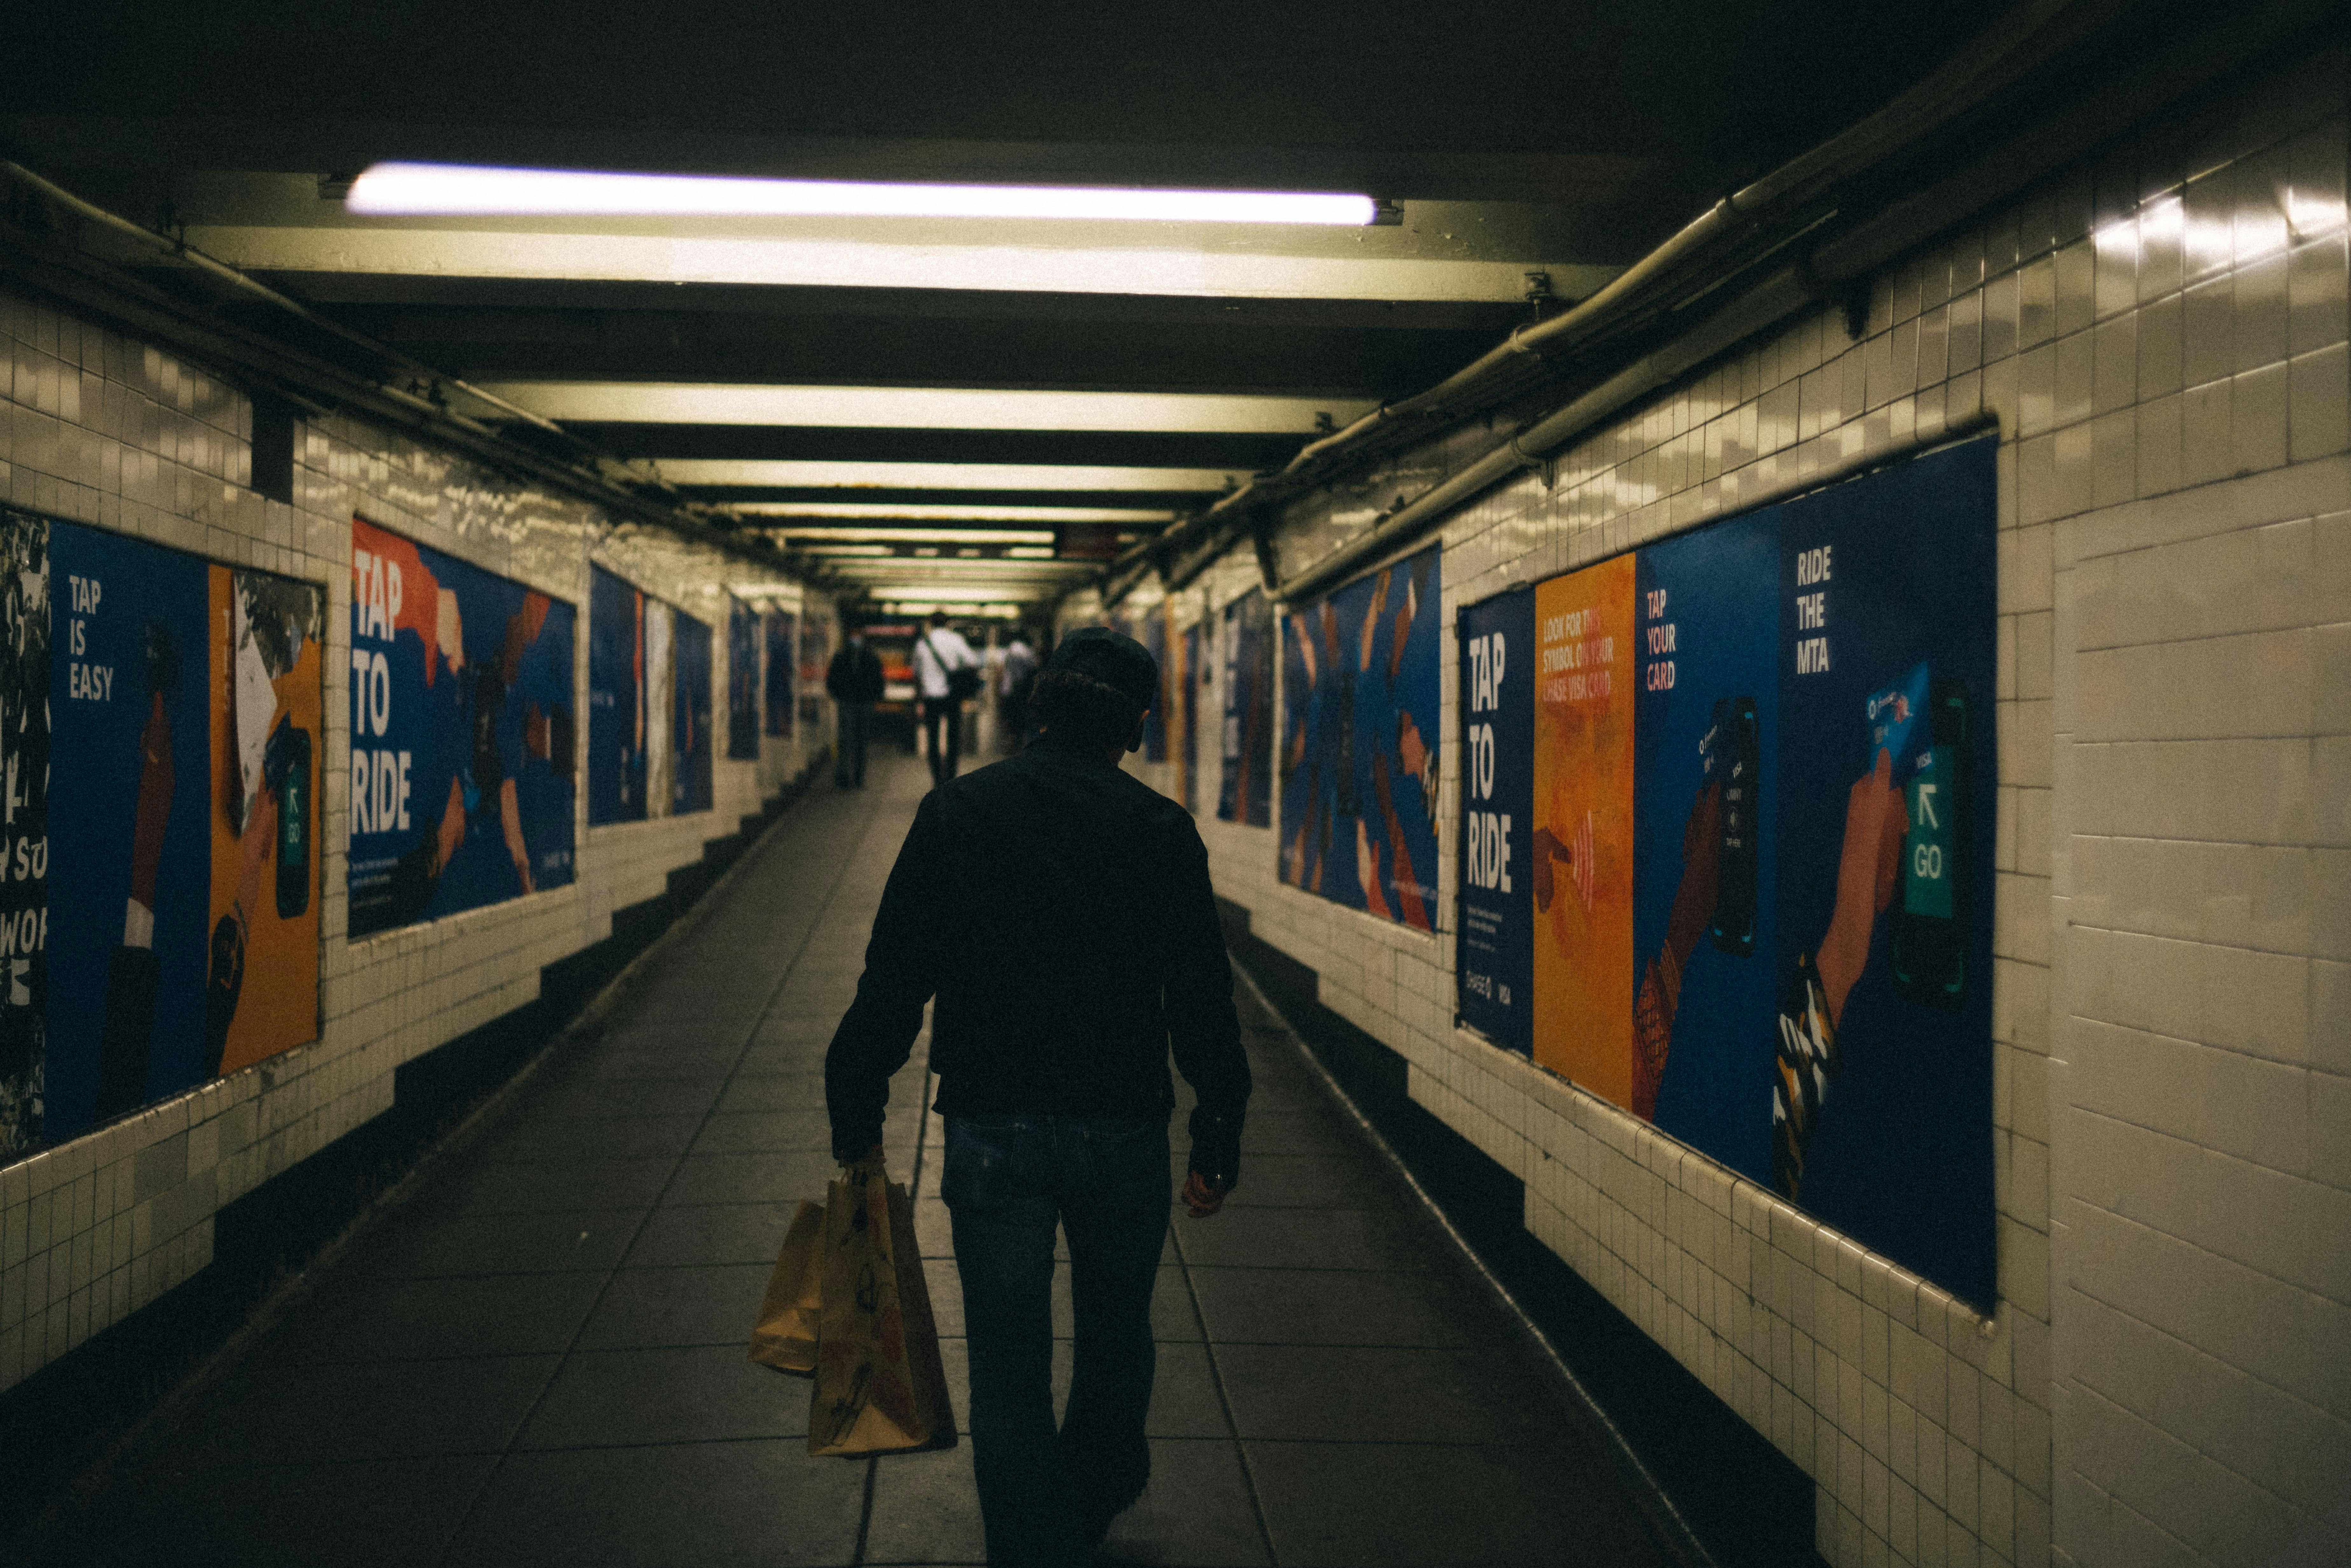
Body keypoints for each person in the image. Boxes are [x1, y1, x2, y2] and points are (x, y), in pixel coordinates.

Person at [826, 627, 1250, 1568]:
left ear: (1038, 707)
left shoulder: (957, 814)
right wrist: (1217, 1129)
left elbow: (894, 979)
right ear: (1134, 725)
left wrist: (854, 1111)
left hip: (990, 1129)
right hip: (1121, 1128)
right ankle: (1091, 1496)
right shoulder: (1158, 829)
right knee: (1115, 1334)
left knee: (1008, 1365)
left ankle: (1029, 1545)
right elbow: (1200, 996)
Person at [912, 610, 981, 785]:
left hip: (931, 697)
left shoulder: (922, 644)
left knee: (933, 739)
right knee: (953, 738)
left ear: (930, 623)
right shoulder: (956, 640)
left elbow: (916, 672)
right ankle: (950, 779)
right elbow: (972, 662)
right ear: (948, 623)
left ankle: (937, 780)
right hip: (952, 695)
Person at [825, 630, 885, 788]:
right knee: (847, 739)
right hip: (850, 702)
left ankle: (858, 777)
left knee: (858, 740)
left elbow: (878, 681)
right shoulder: (846, 657)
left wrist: (873, 698)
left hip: (860, 702)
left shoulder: (847, 657)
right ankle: (845, 777)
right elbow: (832, 680)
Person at [999, 630, 1039, 749]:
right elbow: (1020, 675)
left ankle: (1015, 744)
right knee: (1020, 720)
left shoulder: (1013, 649)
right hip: (1018, 691)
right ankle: (1020, 745)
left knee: (1014, 721)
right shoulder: (1019, 649)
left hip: (1011, 690)